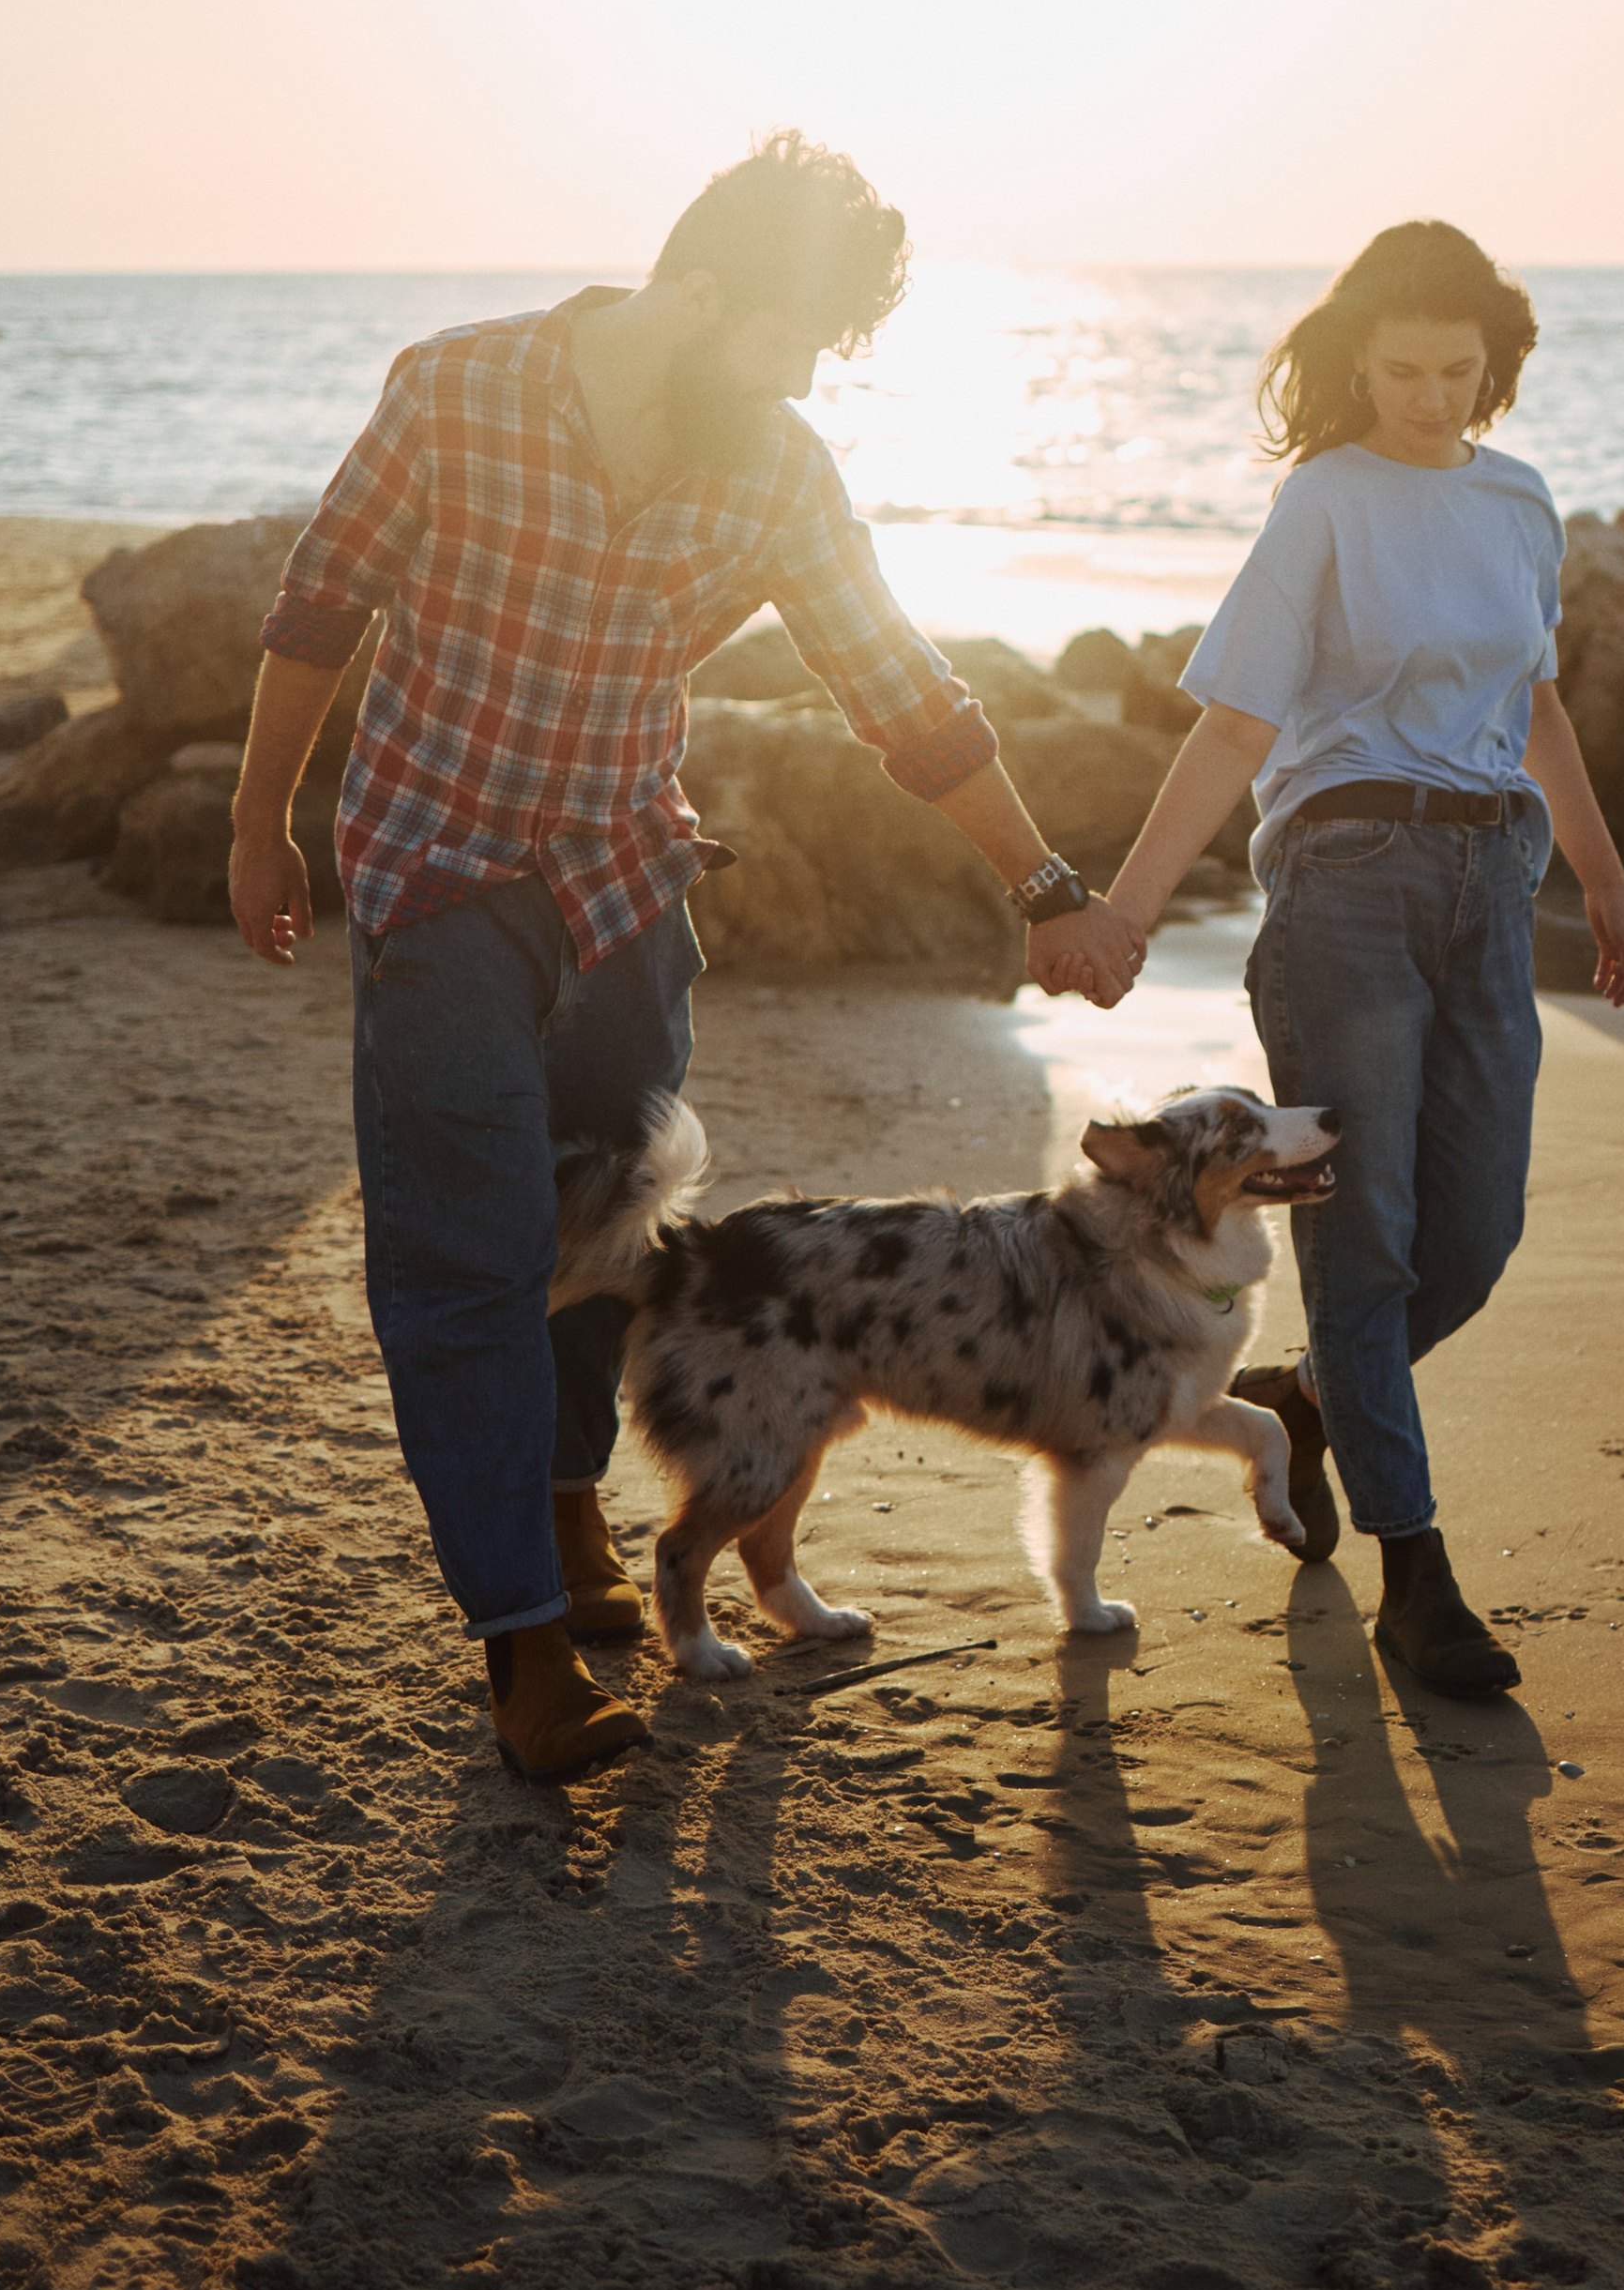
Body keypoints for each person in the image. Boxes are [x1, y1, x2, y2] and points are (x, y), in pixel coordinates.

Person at [226, 135, 1146, 1785]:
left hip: (626, 890)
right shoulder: (453, 392)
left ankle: (570, 1503)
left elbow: (900, 687)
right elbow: (319, 607)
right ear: (704, 292)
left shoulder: (778, 470)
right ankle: (520, 1645)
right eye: (791, 342)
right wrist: (256, 824)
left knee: (602, 1228)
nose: (802, 383)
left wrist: (1044, 882)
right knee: (468, 1259)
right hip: (435, 876)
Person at [1106, 219, 1624, 1698]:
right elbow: (1233, 723)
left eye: (1459, 372)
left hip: (1495, 877)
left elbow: (1539, 711)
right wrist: (1128, 905)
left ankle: (1312, 1406)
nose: (1430, 398)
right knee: (1367, 1237)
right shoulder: (1324, 503)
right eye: (1404, 370)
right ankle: (1417, 1576)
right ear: (1357, 362)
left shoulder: (1521, 502)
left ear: (1499, 368)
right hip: (1346, 876)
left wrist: (1607, 889)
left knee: (1473, 1237)